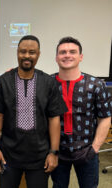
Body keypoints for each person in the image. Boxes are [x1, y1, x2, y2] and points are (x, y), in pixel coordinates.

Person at [0, 35, 68, 188]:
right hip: (9, 155)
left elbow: (54, 119)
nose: (27, 56)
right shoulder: (3, 81)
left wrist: (54, 152)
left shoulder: (48, 82)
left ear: (38, 54)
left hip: (40, 156)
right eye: (23, 52)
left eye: (32, 52)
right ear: (17, 53)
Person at [51, 36, 112, 188]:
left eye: (72, 51)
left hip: (87, 151)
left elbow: (105, 117)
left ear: (81, 57)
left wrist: (95, 148)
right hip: (57, 151)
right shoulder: (48, 84)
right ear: (56, 58)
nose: (67, 55)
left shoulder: (96, 85)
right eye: (62, 52)